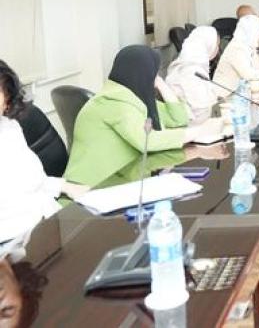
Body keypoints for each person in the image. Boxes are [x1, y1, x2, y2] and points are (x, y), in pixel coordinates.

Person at [64, 46, 225, 189]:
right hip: (91, 189)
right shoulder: (114, 102)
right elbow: (147, 141)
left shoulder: (134, 96)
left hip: (123, 178)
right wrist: (200, 131)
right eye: (153, 71)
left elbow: (179, 118)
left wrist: (161, 84)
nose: (154, 76)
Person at [0, 60, 88, 243]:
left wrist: (66, 187)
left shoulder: (9, 128)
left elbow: (32, 181)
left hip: (48, 223)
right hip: (14, 239)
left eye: (5, 99)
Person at [165, 26, 220, 124]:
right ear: (208, 45)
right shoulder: (193, 72)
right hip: (196, 127)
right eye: (217, 45)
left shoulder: (184, 63)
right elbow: (202, 113)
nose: (217, 49)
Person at [213, 14, 259, 98]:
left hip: (239, 94)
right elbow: (249, 75)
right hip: (224, 97)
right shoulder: (236, 48)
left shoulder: (249, 46)